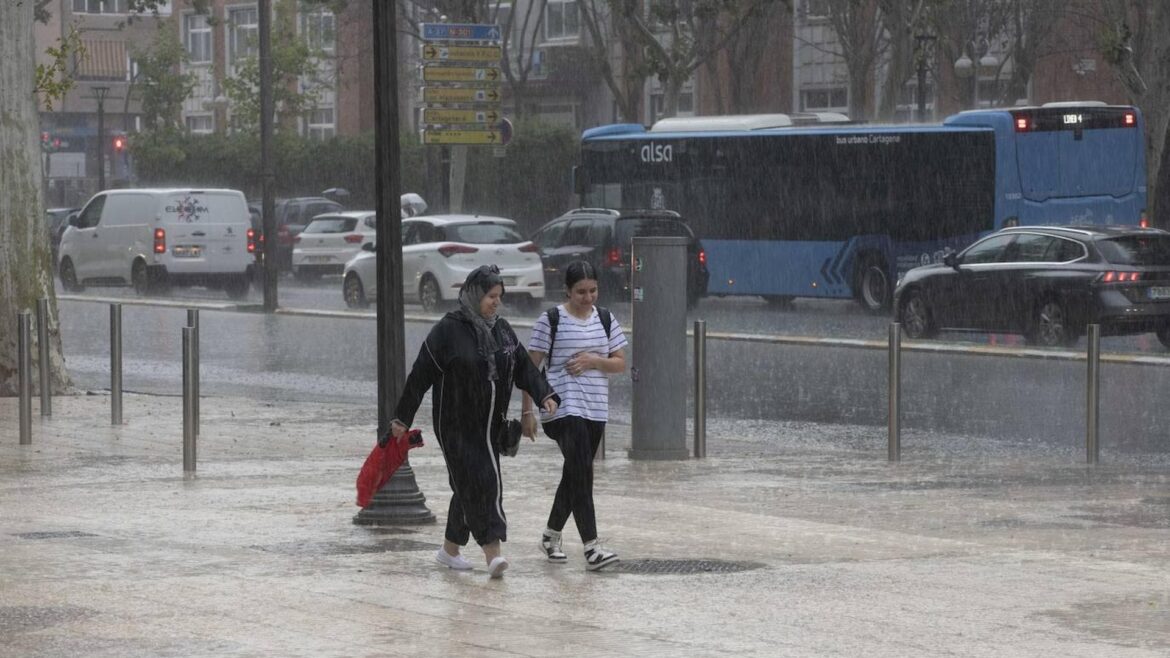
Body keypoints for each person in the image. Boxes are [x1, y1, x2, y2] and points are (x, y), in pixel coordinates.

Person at [390, 265, 560, 578]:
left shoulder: (502, 330)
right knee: (485, 482)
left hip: (489, 427)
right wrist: (403, 417)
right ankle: (492, 553)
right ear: (473, 295)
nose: (496, 302)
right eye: (490, 296)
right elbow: (420, 375)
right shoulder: (448, 330)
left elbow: (523, 367)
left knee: (467, 485)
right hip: (455, 426)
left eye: (499, 296)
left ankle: (449, 550)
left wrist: (544, 395)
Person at [522, 261, 627, 571]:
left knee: (576, 473)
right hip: (561, 408)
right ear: (567, 291)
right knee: (582, 472)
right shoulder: (551, 320)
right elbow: (528, 370)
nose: (588, 297)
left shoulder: (605, 319)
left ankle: (551, 535)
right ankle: (591, 547)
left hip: (595, 408)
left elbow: (620, 363)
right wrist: (527, 411)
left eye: (593, 290)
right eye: (581, 292)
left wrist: (594, 361)